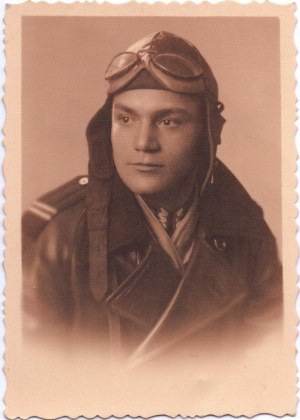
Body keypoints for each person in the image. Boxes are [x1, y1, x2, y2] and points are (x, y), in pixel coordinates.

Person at [22, 31, 282, 367]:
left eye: (169, 121)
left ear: (207, 132)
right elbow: (34, 378)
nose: (144, 142)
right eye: (126, 119)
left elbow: (269, 368)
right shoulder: (59, 236)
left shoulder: (246, 235)